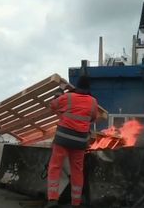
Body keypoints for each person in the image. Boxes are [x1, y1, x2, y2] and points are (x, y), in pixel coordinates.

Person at [45, 76, 98, 208]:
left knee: (55, 167)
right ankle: (76, 203)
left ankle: (52, 199)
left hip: (62, 139)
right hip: (80, 141)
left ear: (76, 86)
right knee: (77, 171)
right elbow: (93, 118)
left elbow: (53, 105)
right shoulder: (93, 102)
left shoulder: (68, 98)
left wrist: (60, 90)